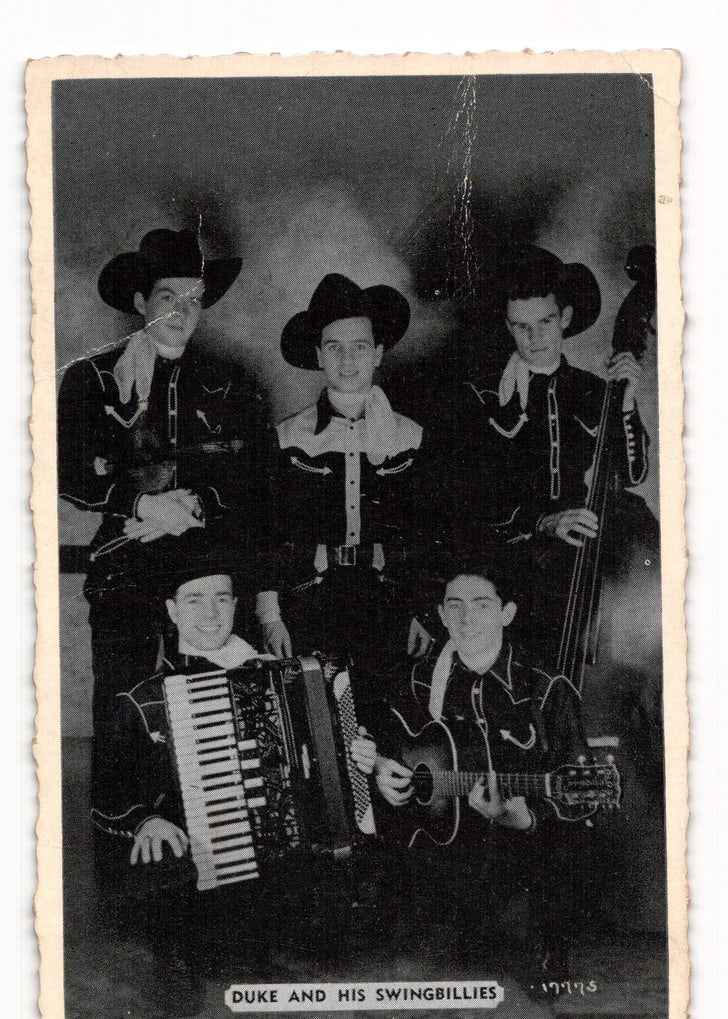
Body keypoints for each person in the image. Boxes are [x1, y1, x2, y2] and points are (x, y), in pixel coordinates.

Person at [57, 229, 269, 800]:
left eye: (195, 298)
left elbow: (257, 478)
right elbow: (70, 475)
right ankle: (126, 827)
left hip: (207, 580)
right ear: (140, 302)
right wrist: (142, 503)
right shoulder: (91, 378)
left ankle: (216, 828)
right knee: (124, 709)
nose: (183, 311)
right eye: (170, 296)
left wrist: (196, 504)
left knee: (214, 713)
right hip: (124, 572)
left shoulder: (232, 381)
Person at [352, 555, 595, 987]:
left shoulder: (546, 686)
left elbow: (583, 799)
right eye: (455, 605)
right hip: (435, 856)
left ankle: (538, 943)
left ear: (507, 612)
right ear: (442, 614)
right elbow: (377, 744)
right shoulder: (414, 681)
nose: (467, 617)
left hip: (518, 863)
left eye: (482, 604)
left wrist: (519, 816)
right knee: (410, 981)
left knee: (514, 989)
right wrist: (382, 773)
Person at [90, 537, 273, 1011]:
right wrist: (144, 820)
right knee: (159, 846)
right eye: (195, 599)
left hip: (263, 840)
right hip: (185, 854)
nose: (211, 613)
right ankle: (176, 961)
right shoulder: (140, 698)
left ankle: (253, 944)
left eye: (222, 599)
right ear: (172, 611)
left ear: (236, 605)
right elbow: (106, 795)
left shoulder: (272, 676)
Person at [454, 244, 650, 665]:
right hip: (516, 553)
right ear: (507, 326)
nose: (535, 337)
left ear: (565, 318)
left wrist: (627, 403)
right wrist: (543, 522)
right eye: (521, 326)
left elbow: (633, 474)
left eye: (545, 322)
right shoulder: (483, 398)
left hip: (588, 548)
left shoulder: (596, 391)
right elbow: (470, 498)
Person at [259, 273, 432, 694]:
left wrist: (422, 610)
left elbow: (427, 531)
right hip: (308, 602)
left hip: (386, 605)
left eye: (359, 347)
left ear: (378, 354)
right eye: (334, 348)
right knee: (314, 717)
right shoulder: (287, 437)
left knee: (383, 718)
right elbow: (263, 531)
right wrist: (270, 615)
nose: (348, 360)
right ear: (318, 356)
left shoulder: (411, 438)